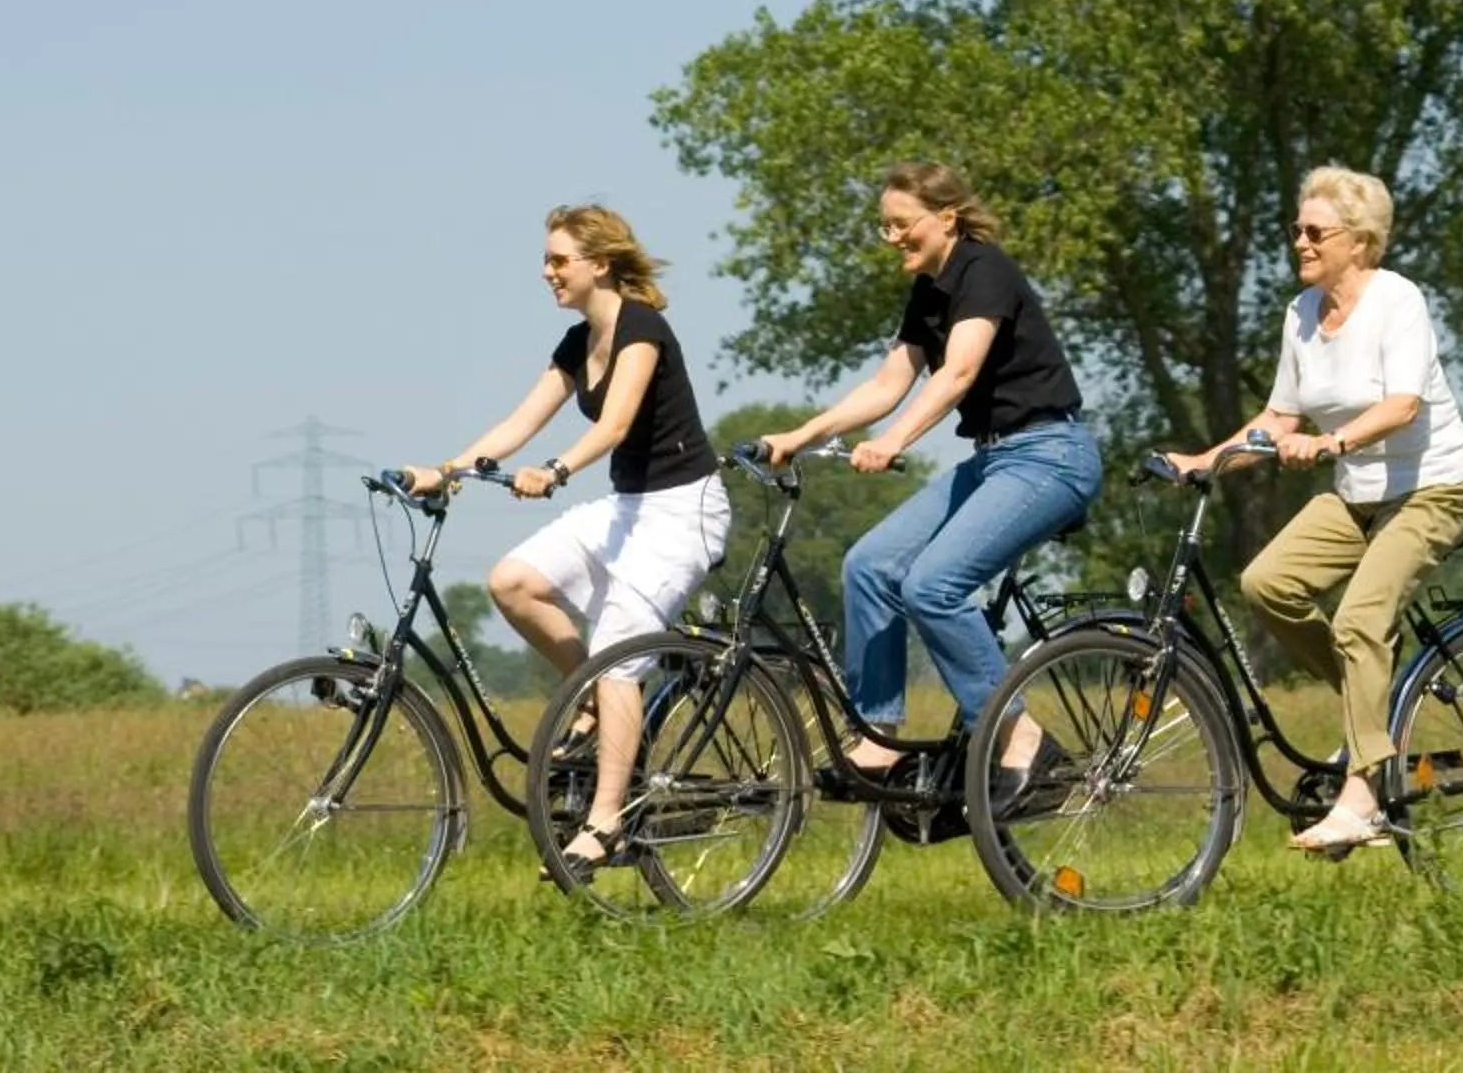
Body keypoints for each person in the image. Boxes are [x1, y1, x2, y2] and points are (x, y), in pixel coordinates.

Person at [1161, 163, 1463, 853]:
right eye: (1296, 230)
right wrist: (1204, 461)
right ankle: (1372, 705)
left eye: (1316, 232)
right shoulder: (1302, 315)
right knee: (1267, 584)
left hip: (1435, 486)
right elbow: (1279, 417)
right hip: (1360, 491)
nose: (1301, 243)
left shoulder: (1397, 301)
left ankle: (1364, 798)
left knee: (1361, 618)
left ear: (1359, 242)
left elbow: (1403, 405)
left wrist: (1334, 440)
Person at [404, 203, 727, 879]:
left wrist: (556, 470)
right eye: (546, 261)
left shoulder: (642, 328)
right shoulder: (577, 343)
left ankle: (605, 821)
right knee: (513, 581)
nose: (547, 272)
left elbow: (614, 424)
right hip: (629, 503)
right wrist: (447, 470)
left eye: (558, 260)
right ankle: (589, 701)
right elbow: (519, 421)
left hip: (682, 509)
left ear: (599, 264)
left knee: (616, 655)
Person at [762, 162, 1102, 802]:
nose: (891, 236)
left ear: (946, 217)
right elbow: (888, 385)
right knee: (869, 564)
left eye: (902, 223)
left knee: (933, 585)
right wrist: (799, 436)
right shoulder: (929, 290)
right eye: (883, 225)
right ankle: (880, 735)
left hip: (1051, 454)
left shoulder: (984, 269)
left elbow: (958, 373)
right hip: (996, 460)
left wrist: (894, 442)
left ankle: (1019, 736)